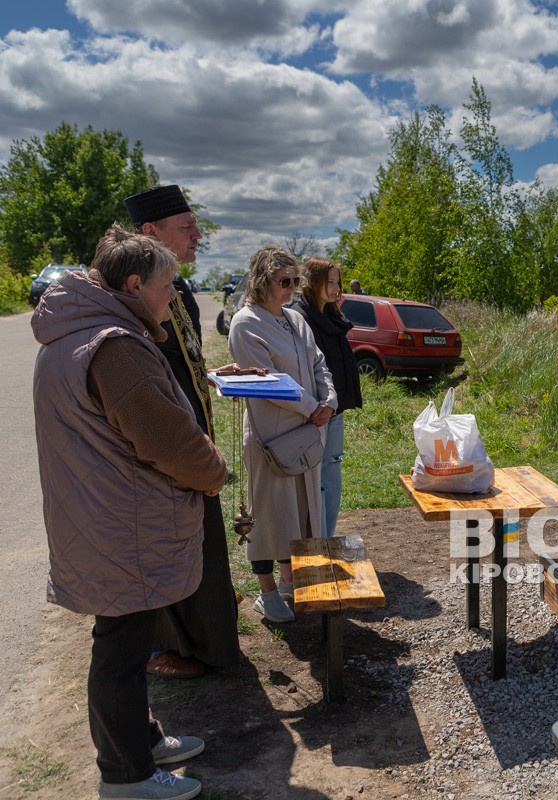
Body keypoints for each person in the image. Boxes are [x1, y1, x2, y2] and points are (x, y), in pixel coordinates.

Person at [32, 225, 227, 800]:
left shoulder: (79, 332)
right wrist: (214, 471)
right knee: (120, 653)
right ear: (135, 283)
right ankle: (127, 776)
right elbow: (168, 442)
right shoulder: (114, 346)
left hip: (103, 521)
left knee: (127, 643)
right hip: (123, 527)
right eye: (168, 286)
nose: (174, 296)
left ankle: (140, 740)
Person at [125, 184, 240, 680]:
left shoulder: (181, 290)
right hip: (165, 451)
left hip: (195, 441)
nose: (198, 235)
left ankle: (211, 636)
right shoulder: (130, 296)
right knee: (173, 548)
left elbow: (179, 364)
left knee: (204, 542)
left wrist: (215, 375)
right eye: (186, 227)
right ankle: (182, 646)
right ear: (150, 232)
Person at [228, 246, 336, 622]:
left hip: (307, 431)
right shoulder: (246, 323)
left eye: (295, 281)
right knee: (270, 516)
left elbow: (319, 363)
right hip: (271, 437)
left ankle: (289, 582)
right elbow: (270, 383)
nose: (291, 288)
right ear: (262, 282)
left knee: (299, 514)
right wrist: (313, 407)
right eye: (283, 282)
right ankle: (267, 592)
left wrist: (330, 400)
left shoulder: (294, 319)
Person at [295, 258, 363, 536]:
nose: (337, 288)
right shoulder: (300, 316)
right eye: (330, 282)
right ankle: (318, 542)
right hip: (316, 412)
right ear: (313, 282)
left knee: (331, 474)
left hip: (336, 409)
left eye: (339, 282)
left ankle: (327, 538)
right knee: (317, 480)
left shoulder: (332, 315)